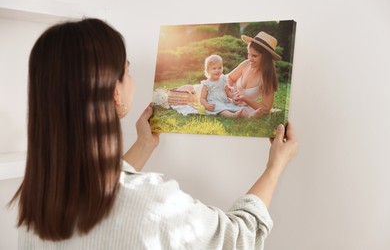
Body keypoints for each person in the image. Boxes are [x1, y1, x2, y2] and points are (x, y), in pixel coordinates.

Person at [9, 18, 298, 249]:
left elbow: (100, 191)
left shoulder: (35, 205)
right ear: (115, 91)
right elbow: (235, 238)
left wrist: (144, 146)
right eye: (128, 70)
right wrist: (275, 166)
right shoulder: (152, 203)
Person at [227, 31, 281, 118]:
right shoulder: (246, 64)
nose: (250, 59)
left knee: (243, 113)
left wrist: (244, 99)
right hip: (228, 96)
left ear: (265, 57)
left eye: (254, 56)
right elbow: (229, 77)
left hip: (243, 106)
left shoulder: (266, 78)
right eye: (249, 54)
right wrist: (230, 92)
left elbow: (266, 107)